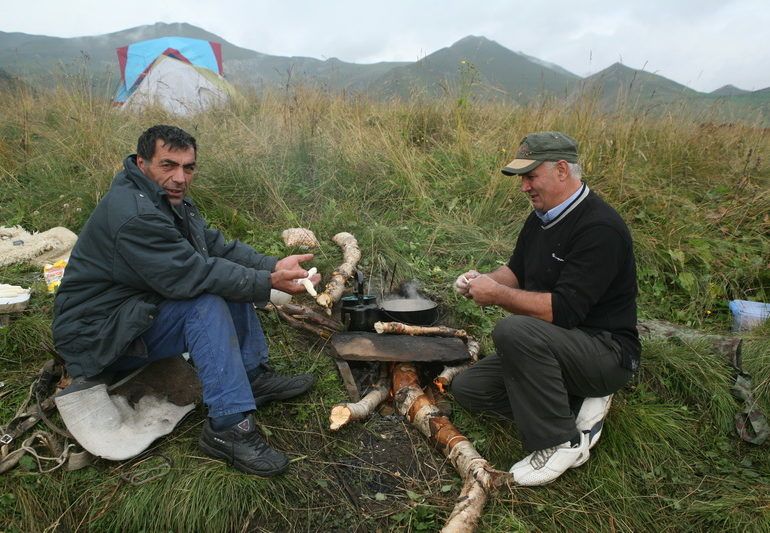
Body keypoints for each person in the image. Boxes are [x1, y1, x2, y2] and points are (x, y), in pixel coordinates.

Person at [53, 124, 321, 477]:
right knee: (205, 302)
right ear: (142, 162)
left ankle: (251, 377)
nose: (180, 177)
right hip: (97, 336)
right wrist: (268, 281)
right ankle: (227, 428)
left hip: (131, 313)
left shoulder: (162, 197)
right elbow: (193, 276)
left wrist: (271, 265)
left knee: (227, 277)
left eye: (188, 167)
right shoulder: (135, 215)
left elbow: (215, 247)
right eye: (169, 165)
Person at [451, 131, 640, 486]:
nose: (524, 186)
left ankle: (560, 442)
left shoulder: (600, 228)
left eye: (530, 176)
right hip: (563, 345)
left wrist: (497, 295)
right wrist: (482, 281)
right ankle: (576, 403)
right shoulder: (542, 217)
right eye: (522, 178)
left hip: (605, 350)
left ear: (562, 170)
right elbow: (516, 272)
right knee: (470, 389)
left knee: (513, 331)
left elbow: (563, 311)